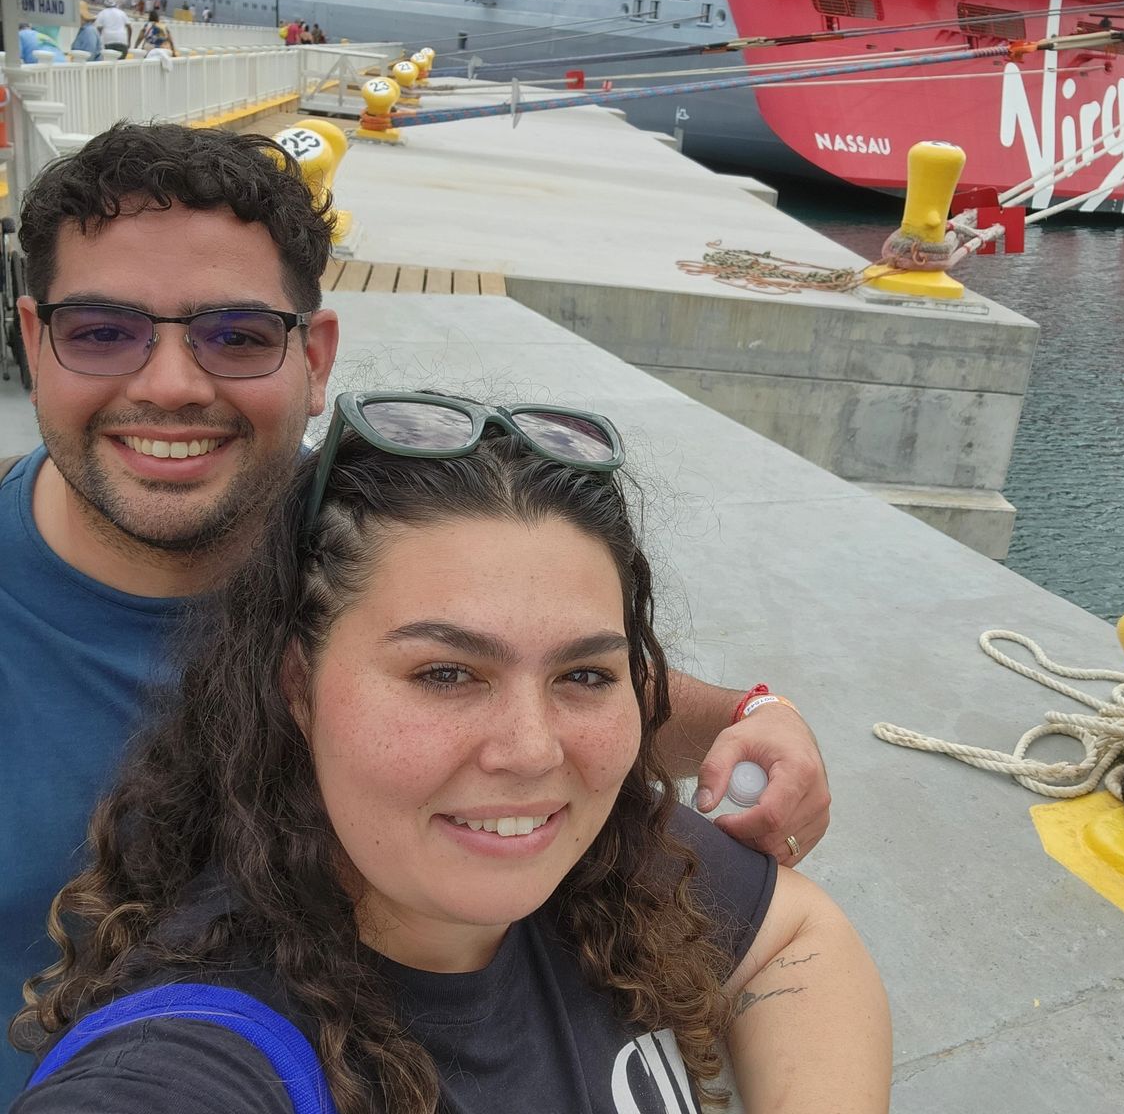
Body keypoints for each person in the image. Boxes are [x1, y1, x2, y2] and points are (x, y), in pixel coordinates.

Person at [0, 123, 829, 1101]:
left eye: (237, 335)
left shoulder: (371, 536)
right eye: (103, 330)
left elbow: (554, 668)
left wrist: (751, 717)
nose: (171, 384)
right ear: (31, 339)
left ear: (315, 358)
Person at [8, 402, 891, 1112]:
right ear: (297, 687)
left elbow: (794, 934)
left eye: (584, 673)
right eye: (444, 672)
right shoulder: (198, 1058)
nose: (531, 751)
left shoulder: (600, 875)